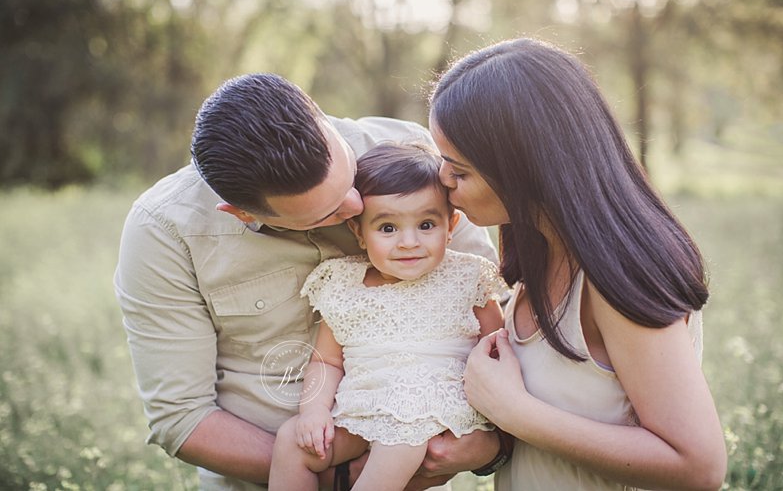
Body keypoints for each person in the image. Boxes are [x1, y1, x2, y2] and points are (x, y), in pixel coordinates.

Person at [114, 73, 506, 490]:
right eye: (329, 214)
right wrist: (341, 476)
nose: (354, 205)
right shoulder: (164, 229)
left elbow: (500, 332)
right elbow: (182, 419)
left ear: (318, 115)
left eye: (347, 181)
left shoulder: (414, 157)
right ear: (243, 214)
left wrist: (490, 447)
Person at [427, 38, 728, 491]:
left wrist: (515, 413)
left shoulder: (618, 271)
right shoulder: (541, 251)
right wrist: (492, 448)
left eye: (459, 169)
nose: (442, 178)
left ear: (523, 166)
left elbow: (697, 466)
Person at [268, 143, 507, 490]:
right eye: (388, 228)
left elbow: (497, 349)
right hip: (362, 409)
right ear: (359, 233)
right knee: (292, 439)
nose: (409, 242)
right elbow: (327, 362)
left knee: (403, 433)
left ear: (451, 225)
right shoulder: (342, 284)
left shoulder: (467, 278)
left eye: (426, 224)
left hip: (433, 411)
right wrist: (314, 411)